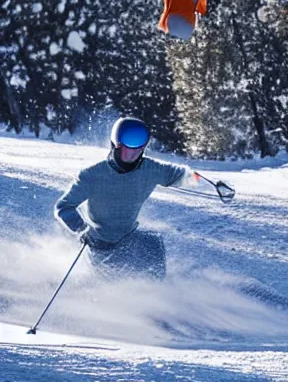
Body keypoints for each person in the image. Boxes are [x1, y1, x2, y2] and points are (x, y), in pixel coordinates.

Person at [55, 117, 199, 280]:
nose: (132, 154)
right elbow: (64, 207)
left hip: (129, 237)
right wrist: (82, 229)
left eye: (138, 149)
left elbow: (179, 175)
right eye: (127, 149)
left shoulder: (149, 169)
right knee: (113, 277)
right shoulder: (92, 175)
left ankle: (156, 291)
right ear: (115, 144)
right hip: (100, 243)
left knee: (153, 243)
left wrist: (199, 179)